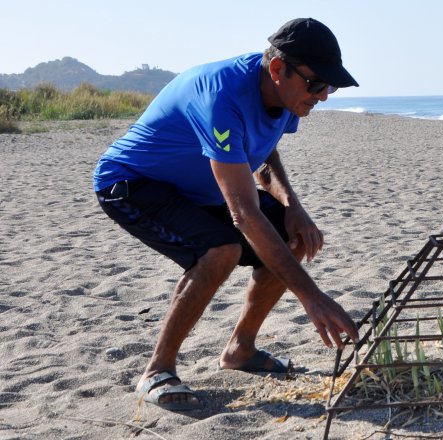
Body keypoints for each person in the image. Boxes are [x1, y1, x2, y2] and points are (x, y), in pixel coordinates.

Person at [93, 18, 360, 411]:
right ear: (277, 69)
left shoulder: (287, 96)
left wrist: (292, 206)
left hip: (201, 186)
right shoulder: (221, 95)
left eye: (330, 86)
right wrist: (312, 297)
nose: (322, 97)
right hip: (131, 183)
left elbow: (263, 151)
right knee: (220, 249)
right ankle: (156, 371)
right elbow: (244, 216)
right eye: (317, 84)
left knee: (290, 237)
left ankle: (240, 350)